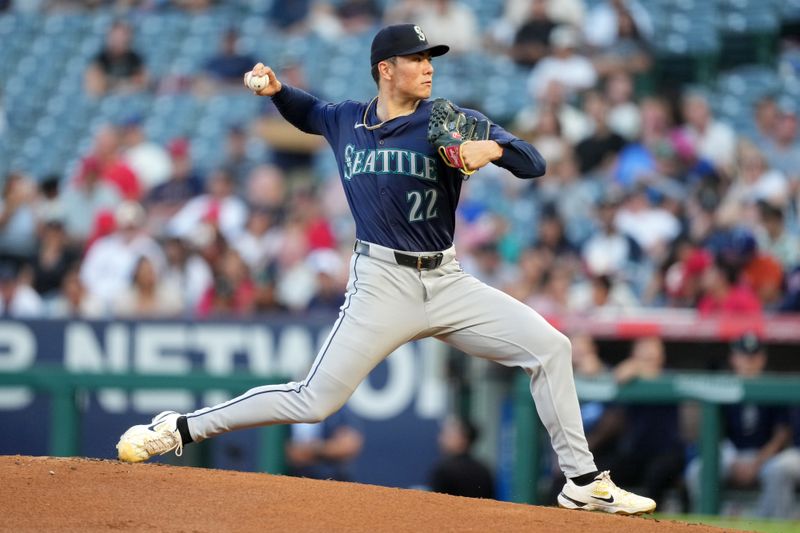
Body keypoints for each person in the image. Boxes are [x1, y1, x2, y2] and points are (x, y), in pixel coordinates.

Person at [116, 23, 655, 515]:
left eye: (431, 58)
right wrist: (277, 91)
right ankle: (180, 429)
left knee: (551, 348)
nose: (429, 66)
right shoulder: (348, 118)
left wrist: (486, 148)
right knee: (313, 401)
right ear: (385, 69)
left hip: (447, 280)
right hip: (381, 283)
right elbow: (308, 112)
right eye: (417, 58)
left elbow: (532, 163)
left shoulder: (447, 119)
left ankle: (582, 481)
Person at [685, 333, 793, 516]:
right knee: (697, 470)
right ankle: (704, 524)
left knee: (777, 471)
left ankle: (767, 527)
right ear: (734, 359)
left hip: (765, 455)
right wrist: (734, 461)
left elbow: (782, 434)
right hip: (731, 453)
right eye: (744, 356)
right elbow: (714, 433)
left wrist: (758, 462)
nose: (749, 362)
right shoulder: (722, 387)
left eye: (754, 356)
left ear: (762, 359)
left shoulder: (772, 387)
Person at [285, 406, 364, 482]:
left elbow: (348, 445)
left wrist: (312, 450)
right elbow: (292, 454)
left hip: (331, 479)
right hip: (289, 479)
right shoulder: (283, 405)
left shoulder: (335, 405)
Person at [429, 416, 495, 499]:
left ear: (463, 439)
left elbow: (436, 504)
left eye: (448, 435)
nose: (441, 439)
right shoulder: (484, 470)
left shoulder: (444, 469)